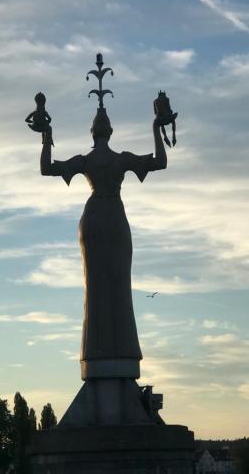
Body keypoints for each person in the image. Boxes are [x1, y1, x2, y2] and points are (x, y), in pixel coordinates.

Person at [40, 107, 167, 380]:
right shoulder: (121, 160)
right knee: (119, 286)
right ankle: (121, 350)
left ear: (92, 133)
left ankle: (98, 351)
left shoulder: (85, 161)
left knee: (96, 288)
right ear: (109, 132)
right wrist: (157, 127)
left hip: (95, 217)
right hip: (114, 217)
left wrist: (47, 136)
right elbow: (160, 162)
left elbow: (47, 168)